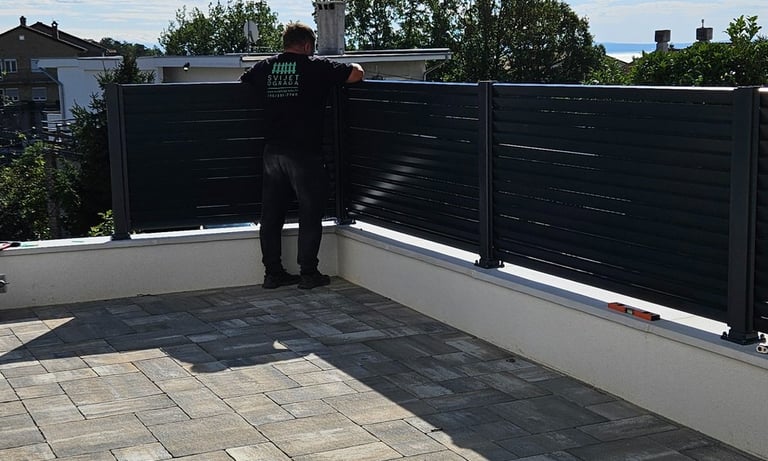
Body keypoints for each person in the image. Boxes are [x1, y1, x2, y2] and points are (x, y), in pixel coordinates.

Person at [240, 22, 364, 290]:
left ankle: (273, 274)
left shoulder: (265, 67)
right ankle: (308, 273)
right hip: (304, 152)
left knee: (271, 215)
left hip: (273, 151)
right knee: (310, 212)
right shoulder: (316, 67)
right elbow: (355, 74)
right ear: (307, 45)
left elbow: (245, 80)